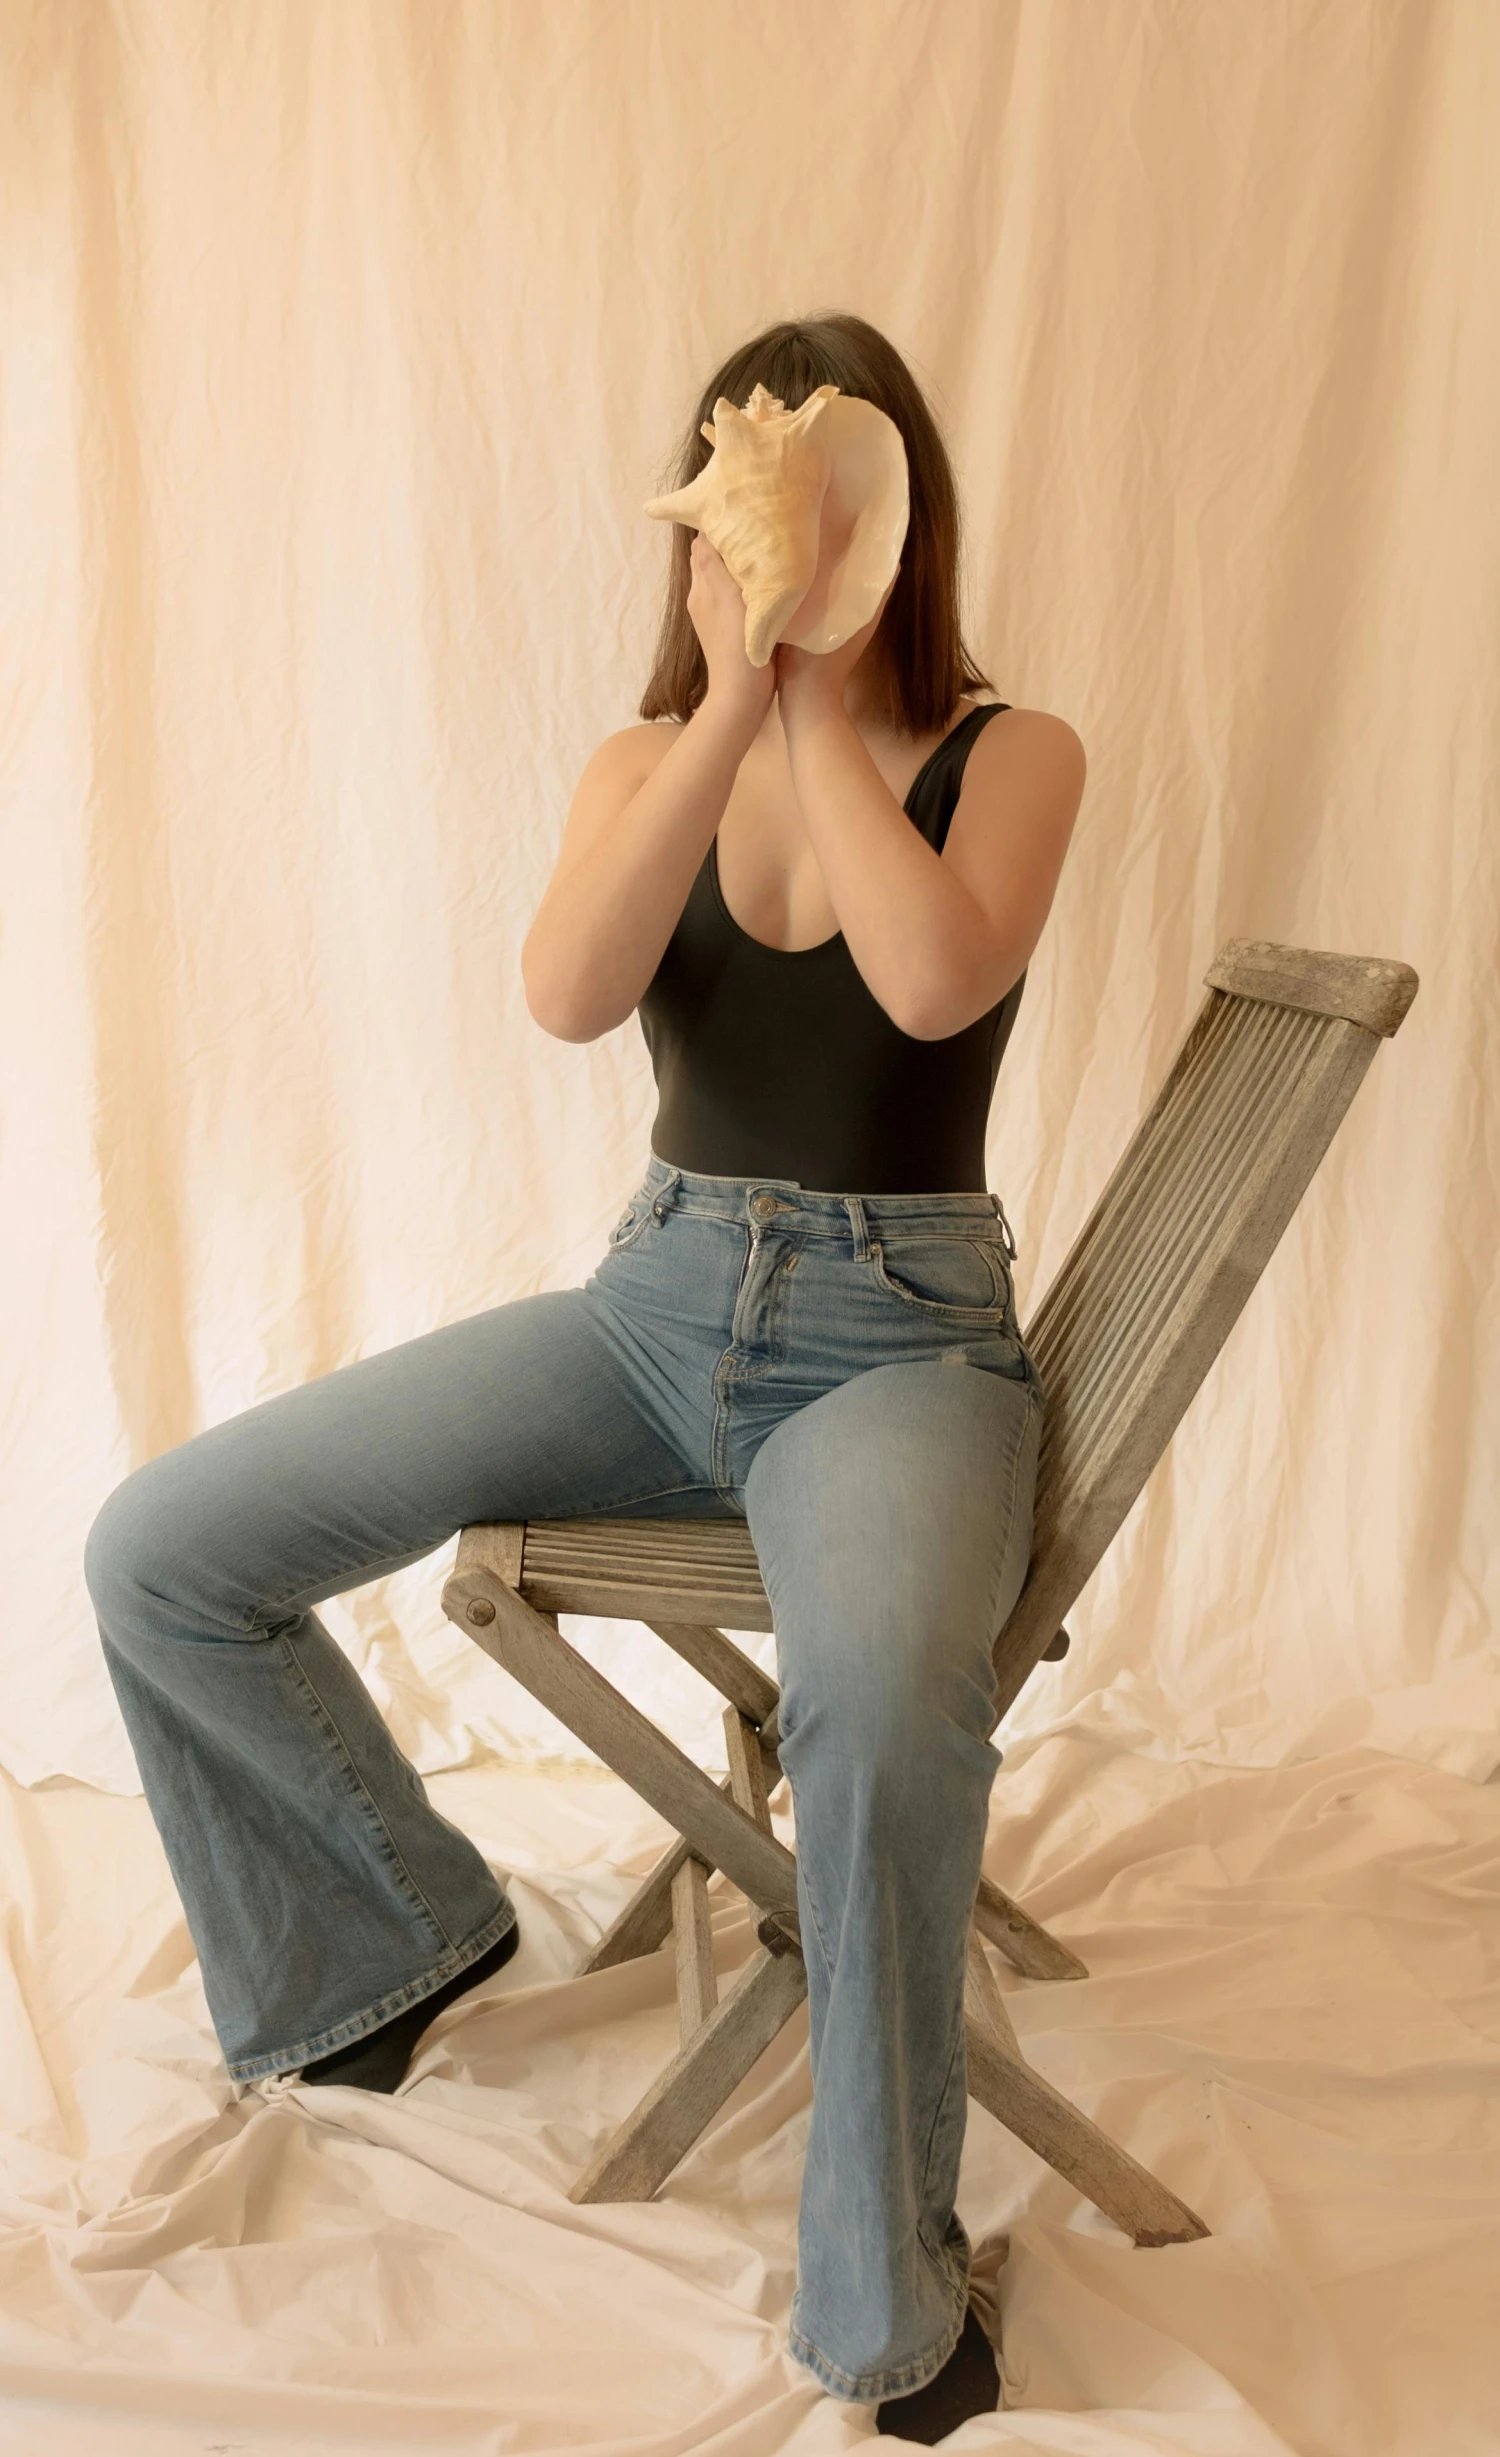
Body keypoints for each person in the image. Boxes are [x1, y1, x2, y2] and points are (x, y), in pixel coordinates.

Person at [83, 311, 1084, 2443]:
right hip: (653, 1305)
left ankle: (886, 2303)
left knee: (891, 1705)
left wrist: (824, 687)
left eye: (839, 518)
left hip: (900, 1349)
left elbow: (924, 976)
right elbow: (562, 996)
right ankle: (388, 1938)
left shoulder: (1015, 750)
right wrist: (734, 702)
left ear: (904, 521)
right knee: (163, 1549)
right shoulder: (651, 760)